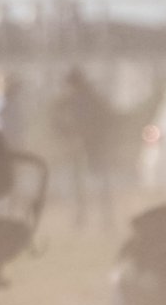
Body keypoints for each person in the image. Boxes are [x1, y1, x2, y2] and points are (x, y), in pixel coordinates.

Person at [48, 66, 117, 229]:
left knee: (98, 185)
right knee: (79, 187)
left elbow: (105, 121)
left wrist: (94, 137)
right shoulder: (68, 101)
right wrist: (67, 137)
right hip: (77, 149)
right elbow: (55, 123)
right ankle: (82, 219)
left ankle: (104, 219)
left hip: (93, 147)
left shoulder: (90, 100)